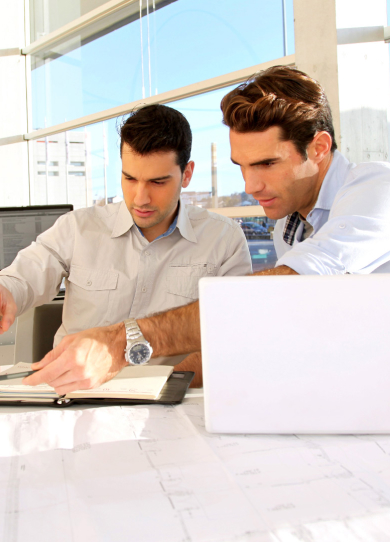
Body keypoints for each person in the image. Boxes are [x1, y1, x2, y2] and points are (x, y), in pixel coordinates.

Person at [4, 65, 390, 392]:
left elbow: (294, 289)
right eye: (242, 166)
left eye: (266, 164)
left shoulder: (376, 190)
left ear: (319, 148)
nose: (251, 186)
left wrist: (125, 344)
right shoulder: (288, 226)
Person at [0, 104, 252, 390]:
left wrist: (158, 385)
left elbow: (235, 337)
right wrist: (6, 291)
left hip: (173, 395)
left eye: (158, 182)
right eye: (130, 178)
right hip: (79, 395)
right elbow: (24, 276)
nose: (140, 198)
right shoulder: (77, 228)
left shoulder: (224, 240)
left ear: (188, 173)